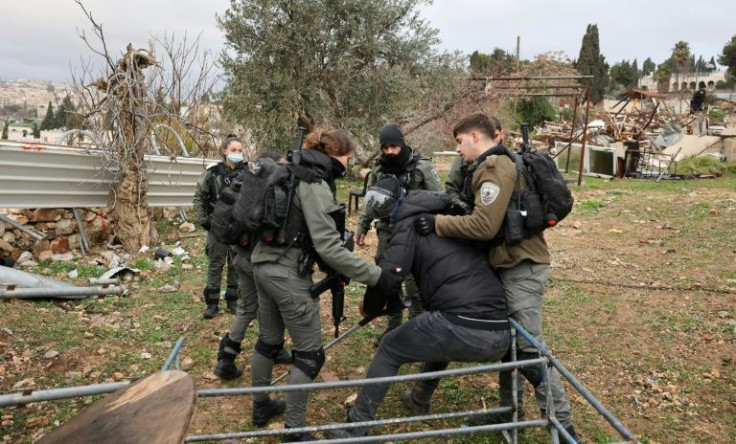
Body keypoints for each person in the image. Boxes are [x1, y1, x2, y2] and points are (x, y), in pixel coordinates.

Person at [413, 112, 580, 442]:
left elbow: (483, 226)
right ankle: (509, 412)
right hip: (507, 265)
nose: (458, 149)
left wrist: (437, 224)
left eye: (460, 141)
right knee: (511, 348)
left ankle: (562, 426)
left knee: (531, 350)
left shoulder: (494, 167)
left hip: (521, 268)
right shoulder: (487, 167)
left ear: (476, 137)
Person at [248, 127, 402, 442]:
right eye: (346, 158)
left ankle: (261, 407)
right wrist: (376, 276)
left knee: (268, 342)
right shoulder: (313, 182)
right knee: (309, 354)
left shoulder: (288, 171)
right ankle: (294, 432)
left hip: (261, 266)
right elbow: (329, 246)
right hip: (286, 274)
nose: (347, 164)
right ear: (335, 155)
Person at [328, 189, 510, 439]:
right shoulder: (452, 220)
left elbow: (391, 273)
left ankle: (355, 428)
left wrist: (369, 307)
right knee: (435, 327)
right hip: (500, 332)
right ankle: (419, 397)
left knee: (390, 346)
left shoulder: (408, 226)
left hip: (463, 326)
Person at [355, 122, 441, 345]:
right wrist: (362, 226)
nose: (390, 152)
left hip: (415, 232)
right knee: (386, 280)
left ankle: (417, 330)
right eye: (385, 148)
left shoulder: (421, 167)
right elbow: (372, 200)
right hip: (387, 230)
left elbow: (439, 199)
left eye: (394, 146)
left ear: (402, 143)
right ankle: (393, 329)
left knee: (414, 282)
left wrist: (434, 225)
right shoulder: (379, 167)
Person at [213, 151, 291, 380]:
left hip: (241, 256)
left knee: (247, 308)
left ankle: (225, 359)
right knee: (272, 308)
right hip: (259, 262)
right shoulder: (270, 190)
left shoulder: (246, 184)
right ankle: (273, 350)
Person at [193, 135, 245, 319]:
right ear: (224, 151)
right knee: (215, 265)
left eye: (240, 150)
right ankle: (212, 303)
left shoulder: (247, 173)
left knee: (235, 265)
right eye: (233, 150)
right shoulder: (212, 173)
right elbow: (199, 197)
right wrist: (203, 220)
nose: (237, 154)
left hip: (237, 228)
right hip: (217, 227)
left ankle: (232, 300)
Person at [445, 115, 504, 213]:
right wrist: (463, 208)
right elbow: (451, 188)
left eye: (460, 141)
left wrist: (437, 221)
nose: (457, 149)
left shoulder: (503, 164)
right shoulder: (465, 159)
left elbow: (483, 222)